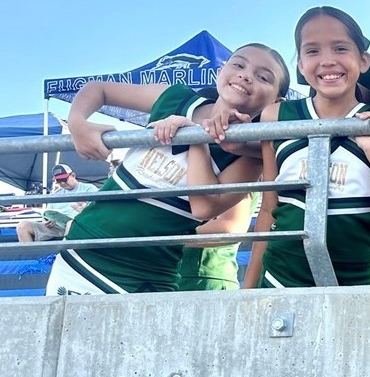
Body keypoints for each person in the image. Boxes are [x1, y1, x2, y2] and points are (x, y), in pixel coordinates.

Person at [49, 43, 290, 295]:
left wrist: (193, 137)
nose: (245, 75)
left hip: (147, 274)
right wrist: (77, 122)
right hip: (81, 250)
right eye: (238, 64)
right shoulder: (175, 98)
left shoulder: (253, 156)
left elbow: (204, 207)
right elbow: (98, 89)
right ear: (220, 72)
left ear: (277, 100)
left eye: (263, 77)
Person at [244, 6, 370, 289]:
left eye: (340, 49)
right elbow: (269, 208)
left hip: (353, 285)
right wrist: (248, 290)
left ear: (363, 61)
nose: (327, 61)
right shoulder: (276, 117)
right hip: (279, 280)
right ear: (300, 65)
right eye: (312, 51)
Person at [176, 192, 259, 291]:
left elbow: (229, 228)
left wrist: (164, 237)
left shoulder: (235, 181)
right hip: (174, 271)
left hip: (202, 278)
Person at [17, 163, 98, 242]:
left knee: (70, 224)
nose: (62, 183)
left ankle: (66, 253)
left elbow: (96, 211)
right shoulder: (55, 194)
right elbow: (47, 214)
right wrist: (47, 221)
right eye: (59, 181)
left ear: (73, 175)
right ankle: (30, 255)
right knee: (22, 226)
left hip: (80, 225)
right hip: (57, 227)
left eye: (64, 179)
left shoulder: (89, 189)